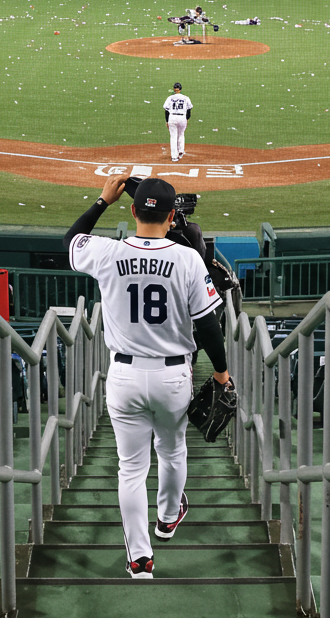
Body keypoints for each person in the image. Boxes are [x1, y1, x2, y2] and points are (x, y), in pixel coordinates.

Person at [63, 175, 230, 579]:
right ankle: (168, 518)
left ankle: (140, 558)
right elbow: (208, 326)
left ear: (133, 211)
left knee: (130, 468)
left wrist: (102, 201)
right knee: (172, 452)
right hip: (173, 376)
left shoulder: (107, 252)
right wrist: (222, 375)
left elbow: (71, 241)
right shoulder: (189, 259)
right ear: (173, 216)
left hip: (123, 375)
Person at [163, 82, 192, 163]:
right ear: (180, 89)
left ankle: (174, 157)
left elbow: (166, 110)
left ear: (174, 89)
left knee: (173, 137)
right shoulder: (186, 98)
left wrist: (167, 121)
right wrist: (187, 119)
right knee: (181, 134)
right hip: (182, 117)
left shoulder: (170, 98)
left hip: (172, 117)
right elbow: (189, 109)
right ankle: (181, 151)